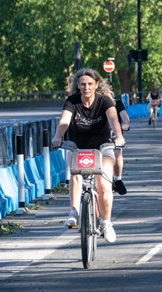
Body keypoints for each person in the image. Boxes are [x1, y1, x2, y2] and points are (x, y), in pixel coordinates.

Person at [51, 68, 125, 243]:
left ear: (96, 85)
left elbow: (114, 120)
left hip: (103, 147)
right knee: (75, 171)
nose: (86, 88)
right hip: (78, 146)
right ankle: (74, 211)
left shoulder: (104, 101)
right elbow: (64, 121)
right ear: (77, 85)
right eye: (83, 84)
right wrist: (58, 136)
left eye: (90, 84)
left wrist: (119, 136)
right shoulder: (72, 101)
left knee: (103, 184)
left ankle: (106, 223)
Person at [113, 97, 130, 195]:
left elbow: (125, 117)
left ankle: (118, 179)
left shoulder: (117, 103)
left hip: (113, 135)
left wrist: (126, 124)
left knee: (117, 153)